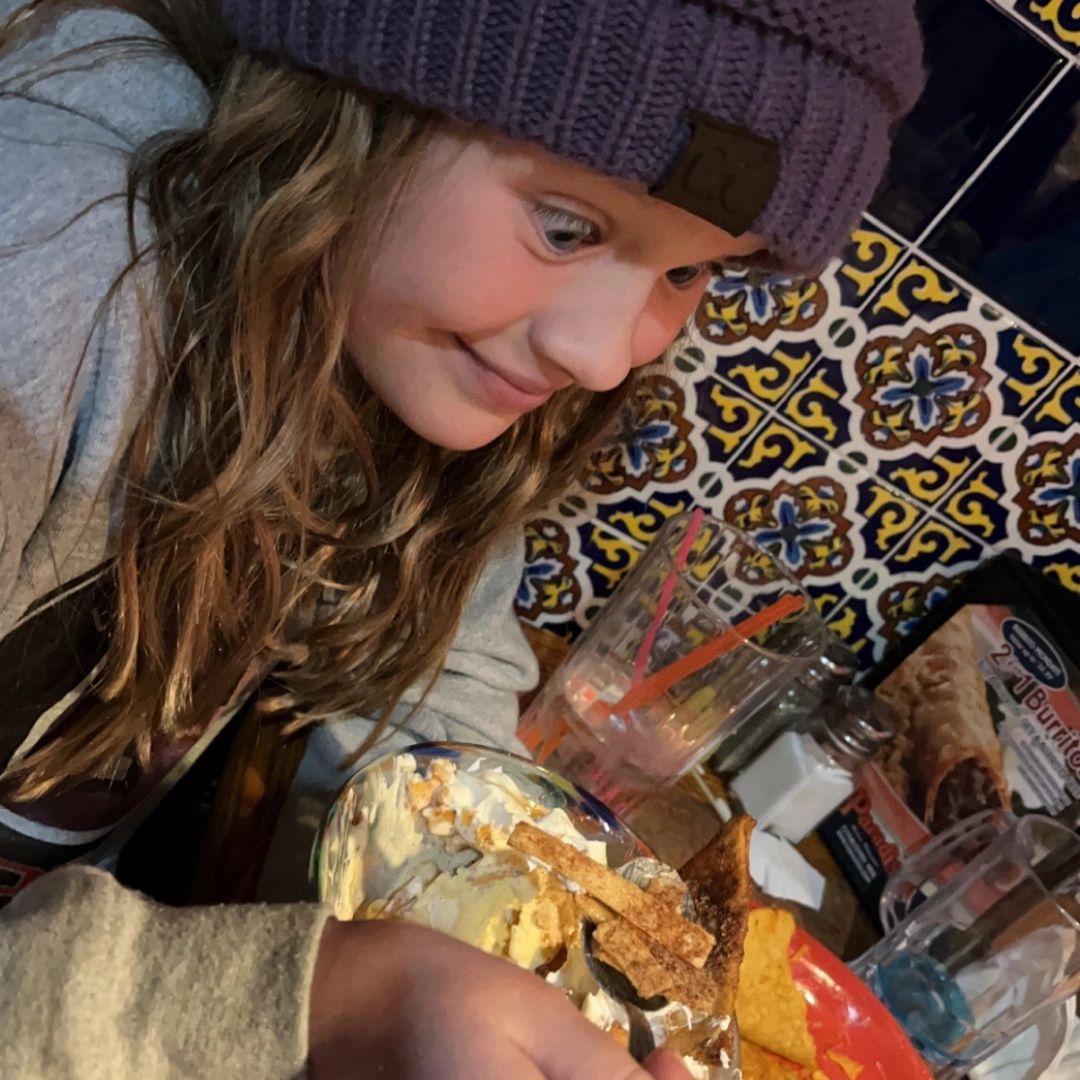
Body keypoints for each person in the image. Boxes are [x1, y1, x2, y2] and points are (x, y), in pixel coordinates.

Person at [0, 0, 923, 1076]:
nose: (601, 357)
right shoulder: (42, 282)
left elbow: (444, 665)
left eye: (690, 274)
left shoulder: (389, 348)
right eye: (566, 227)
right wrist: (311, 1003)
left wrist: (508, 918)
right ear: (353, 87)